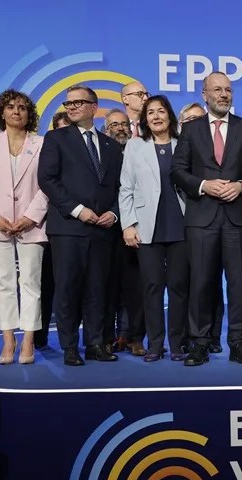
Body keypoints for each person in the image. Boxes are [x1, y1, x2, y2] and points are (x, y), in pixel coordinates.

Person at [170, 71, 242, 367]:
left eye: (228, 90)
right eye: (217, 90)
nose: (224, 94)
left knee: (239, 286)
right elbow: (177, 170)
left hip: (237, 219)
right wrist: (203, 185)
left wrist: (241, 186)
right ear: (205, 94)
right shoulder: (191, 130)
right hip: (202, 219)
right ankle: (199, 343)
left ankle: (238, 343)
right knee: (200, 284)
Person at [38, 85, 123, 366]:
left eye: (78, 102)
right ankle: (70, 347)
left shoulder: (110, 145)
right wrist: (78, 210)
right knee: (68, 290)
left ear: (93, 107)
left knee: (98, 290)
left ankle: (96, 344)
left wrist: (114, 212)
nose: (71, 107)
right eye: (68, 103)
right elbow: (48, 180)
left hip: (103, 229)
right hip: (68, 228)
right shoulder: (55, 138)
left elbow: (121, 186)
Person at [0, 89, 48, 365]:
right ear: (1, 112)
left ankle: (28, 338)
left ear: (30, 114)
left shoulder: (41, 143)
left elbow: (46, 184)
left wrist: (31, 215)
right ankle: (8, 339)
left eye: (22, 107)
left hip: (32, 223)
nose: (16, 111)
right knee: (3, 283)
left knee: (31, 282)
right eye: (10, 106)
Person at [119, 95, 189, 362]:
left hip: (181, 226)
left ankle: (178, 344)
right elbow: (126, 188)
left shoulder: (183, 144)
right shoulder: (135, 146)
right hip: (147, 226)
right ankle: (155, 344)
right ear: (145, 119)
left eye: (161, 111)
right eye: (151, 113)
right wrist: (128, 224)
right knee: (151, 287)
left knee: (179, 287)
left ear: (170, 116)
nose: (157, 117)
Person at [179, 101, 223, 353]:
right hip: (179, 225)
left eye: (199, 119)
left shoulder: (216, 145)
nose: (195, 124)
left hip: (208, 221)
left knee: (210, 281)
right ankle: (188, 335)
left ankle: (211, 336)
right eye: (189, 120)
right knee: (187, 284)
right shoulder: (177, 148)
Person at [102, 108, 146, 356]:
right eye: (113, 125)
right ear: (105, 130)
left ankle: (134, 337)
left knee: (135, 287)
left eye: (123, 124)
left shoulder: (139, 150)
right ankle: (107, 337)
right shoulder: (101, 153)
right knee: (106, 287)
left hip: (136, 228)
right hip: (106, 229)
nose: (120, 128)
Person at [34, 110, 72, 350]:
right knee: (44, 285)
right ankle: (39, 336)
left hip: (73, 227)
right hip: (44, 229)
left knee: (71, 286)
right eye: (57, 130)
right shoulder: (44, 154)